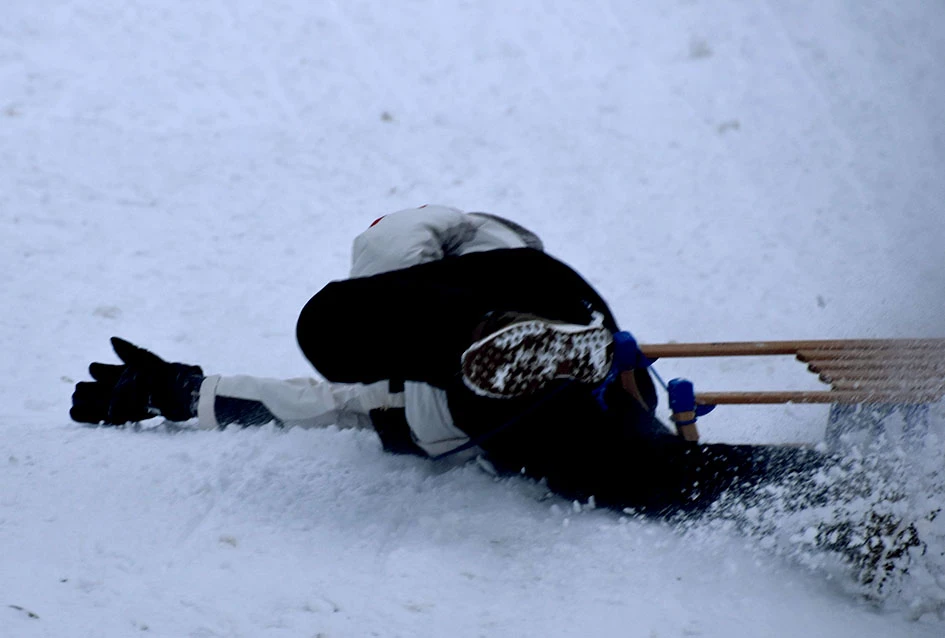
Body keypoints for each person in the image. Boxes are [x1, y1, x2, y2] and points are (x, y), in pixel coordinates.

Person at [72, 205, 828, 517]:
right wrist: (181, 391)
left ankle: (501, 343)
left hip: (509, 347)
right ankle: (834, 497)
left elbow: (392, 248)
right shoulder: (502, 257)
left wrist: (179, 392)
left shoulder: (451, 257)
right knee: (662, 481)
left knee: (330, 327)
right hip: (553, 394)